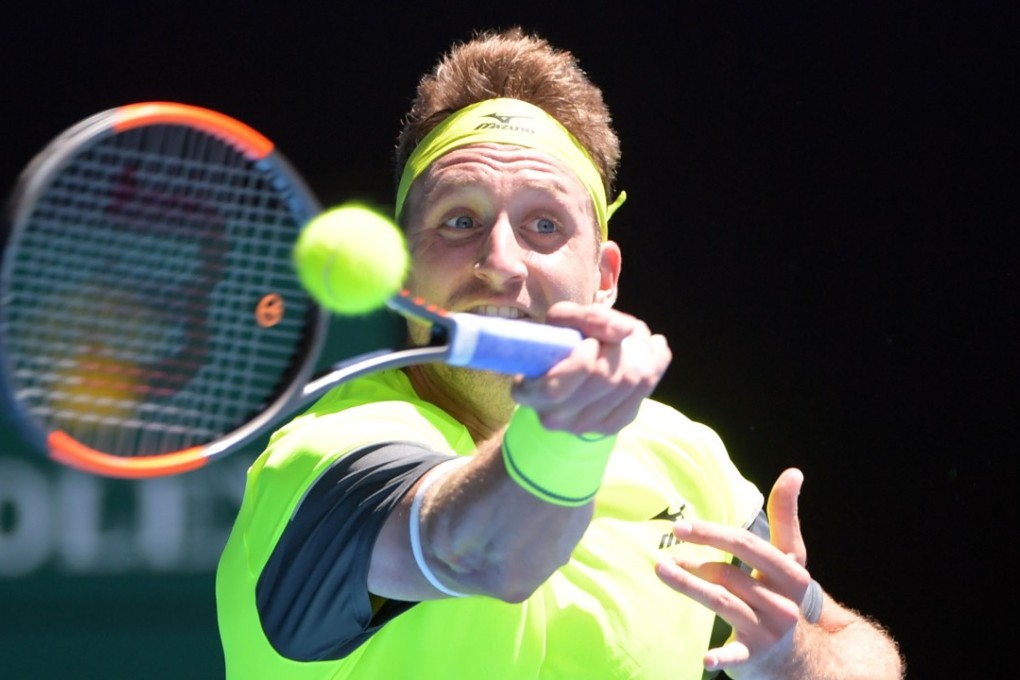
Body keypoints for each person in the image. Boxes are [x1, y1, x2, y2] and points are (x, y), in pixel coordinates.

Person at [216, 27, 904, 679]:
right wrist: (574, 431)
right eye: (461, 220)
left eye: (544, 225)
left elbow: (857, 650)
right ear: (403, 270)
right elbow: (480, 552)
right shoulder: (326, 456)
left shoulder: (682, 459)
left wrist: (795, 650)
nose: (502, 263)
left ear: (604, 277)